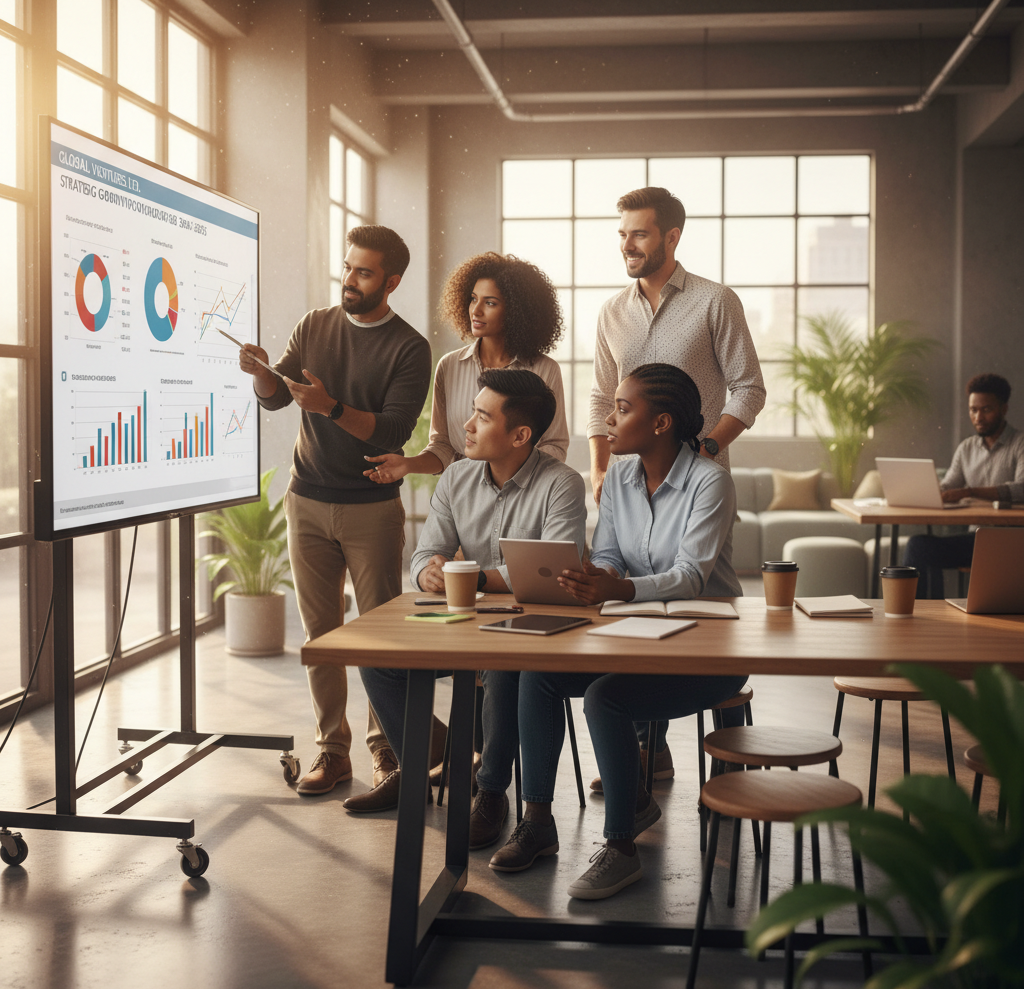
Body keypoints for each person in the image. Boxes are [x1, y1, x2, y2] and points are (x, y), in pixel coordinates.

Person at [489, 363, 747, 900]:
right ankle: (537, 822)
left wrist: (621, 589)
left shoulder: (710, 480)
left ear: (661, 423)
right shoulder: (619, 479)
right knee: (539, 670)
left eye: (624, 409)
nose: (609, 419)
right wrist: (592, 578)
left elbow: (691, 576)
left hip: (707, 648)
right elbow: (607, 555)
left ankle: (622, 847)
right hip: (634, 634)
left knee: (607, 697)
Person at [350, 369, 587, 851]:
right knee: (376, 658)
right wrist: (428, 574)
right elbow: (424, 554)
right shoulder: (456, 477)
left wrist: (474, 575)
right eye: (472, 411)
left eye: (482, 415)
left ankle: (491, 793)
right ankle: (422, 764)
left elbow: (554, 567)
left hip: (529, 631)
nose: (468, 424)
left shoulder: (561, 484)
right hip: (464, 625)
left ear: (520, 435)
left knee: (502, 666)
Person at [240, 225, 431, 796]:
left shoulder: (410, 348)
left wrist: (330, 407)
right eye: (347, 268)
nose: (350, 279)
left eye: (364, 272)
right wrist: (260, 376)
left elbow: (394, 429)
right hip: (308, 497)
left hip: (371, 505)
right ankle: (332, 751)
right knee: (321, 634)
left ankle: (388, 750)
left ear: (391, 282)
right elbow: (280, 396)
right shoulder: (315, 324)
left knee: (380, 637)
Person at [587, 185, 765, 780]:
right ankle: (644, 748)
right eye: (621, 235)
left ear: (671, 237)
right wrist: (601, 464)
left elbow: (749, 387)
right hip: (630, 475)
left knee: (697, 594)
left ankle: (727, 758)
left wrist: (707, 448)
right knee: (633, 580)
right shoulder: (612, 311)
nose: (626, 245)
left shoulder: (715, 301)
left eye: (638, 233)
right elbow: (599, 394)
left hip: (699, 482)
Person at [362, 251, 569, 485]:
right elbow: (442, 447)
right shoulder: (449, 366)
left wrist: (510, 479)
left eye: (490, 303)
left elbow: (554, 447)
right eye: (473, 298)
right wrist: (408, 465)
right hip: (462, 494)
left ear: (517, 312)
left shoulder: (544, 370)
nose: (476, 310)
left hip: (525, 494)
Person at [904, 373, 1024, 598]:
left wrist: (970, 491)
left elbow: (1022, 489)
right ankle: (925, 617)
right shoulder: (966, 448)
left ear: (1004, 408)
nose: (978, 417)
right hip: (977, 542)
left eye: (986, 409)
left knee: (919, 547)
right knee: (918, 547)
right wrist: (928, 490)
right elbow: (949, 485)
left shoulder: (1020, 444)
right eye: (973, 410)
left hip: (1013, 543)